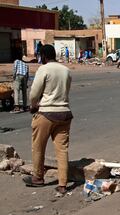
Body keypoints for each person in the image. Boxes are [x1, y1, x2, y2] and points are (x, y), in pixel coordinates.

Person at [22, 44, 73, 197]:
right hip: (64, 113)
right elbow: (66, 90)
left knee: (38, 147)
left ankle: (38, 177)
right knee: (62, 150)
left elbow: (34, 93)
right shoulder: (66, 70)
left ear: (43, 56)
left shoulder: (43, 69)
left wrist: (33, 106)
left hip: (46, 113)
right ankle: (62, 184)